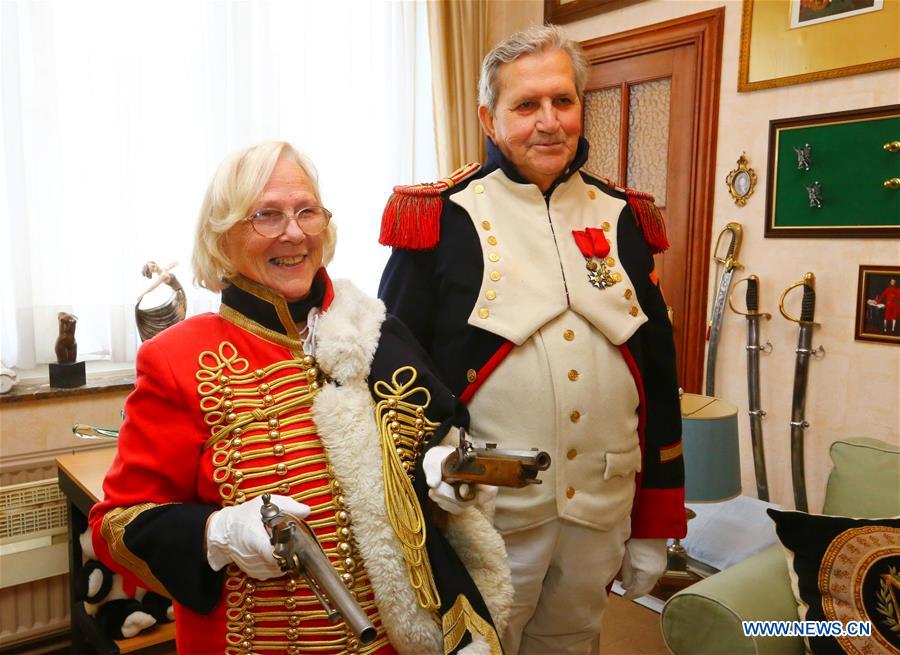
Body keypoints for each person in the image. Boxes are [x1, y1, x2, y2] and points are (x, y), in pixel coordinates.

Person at [88, 141, 512, 655]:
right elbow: (115, 528)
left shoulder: (377, 330)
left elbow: (436, 444)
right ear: (222, 237)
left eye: (307, 211)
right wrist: (218, 533)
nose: (293, 232)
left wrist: (445, 474)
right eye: (266, 215)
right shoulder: (175, 358)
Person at [378, 25, 686, 655]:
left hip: (601, 509)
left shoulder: (625, 217)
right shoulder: (438, 218)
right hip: (483, 516)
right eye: (526, 105)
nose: (549, 122)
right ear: (489, 119)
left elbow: (657, 377)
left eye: (563, 101)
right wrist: (415, 505)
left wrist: (656, 520)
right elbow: (392, 383)